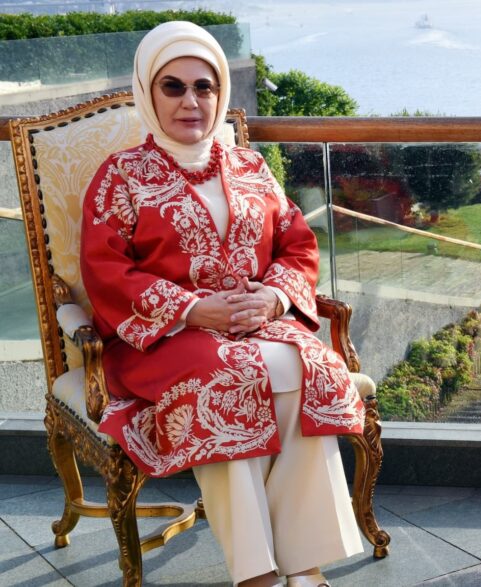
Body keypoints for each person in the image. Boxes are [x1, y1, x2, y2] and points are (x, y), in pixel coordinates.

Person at [80, 21, 365, 587]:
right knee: (230, 380)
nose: (191, 101)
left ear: (221, 95)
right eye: (173, 87)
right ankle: (256, 572)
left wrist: (275, 297)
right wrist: (191, 310)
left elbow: (296, 243)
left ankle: (304, 564)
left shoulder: (250, 167)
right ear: (148, 92)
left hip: (256, 325)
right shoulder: (120, 178)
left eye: (204, 87)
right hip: (162, 339)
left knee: (310, 366)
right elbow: (106, 270)